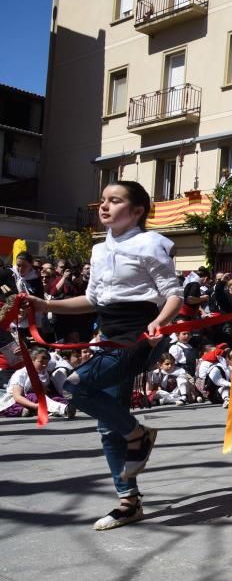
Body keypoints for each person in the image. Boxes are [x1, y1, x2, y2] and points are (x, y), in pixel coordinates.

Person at [26, 181, 182, 530]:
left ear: (138, 210)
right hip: (109, 336)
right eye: (103, 200)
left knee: (76, 386)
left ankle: (139, 434)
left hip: (140, 335)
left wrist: (159, 321)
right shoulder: (99, 249)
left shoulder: (151, 244)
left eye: (116, 201)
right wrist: (45, 304)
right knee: (108, 425)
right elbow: (93, 299)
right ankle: (128, 502)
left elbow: (173, 294)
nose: (105, 206)